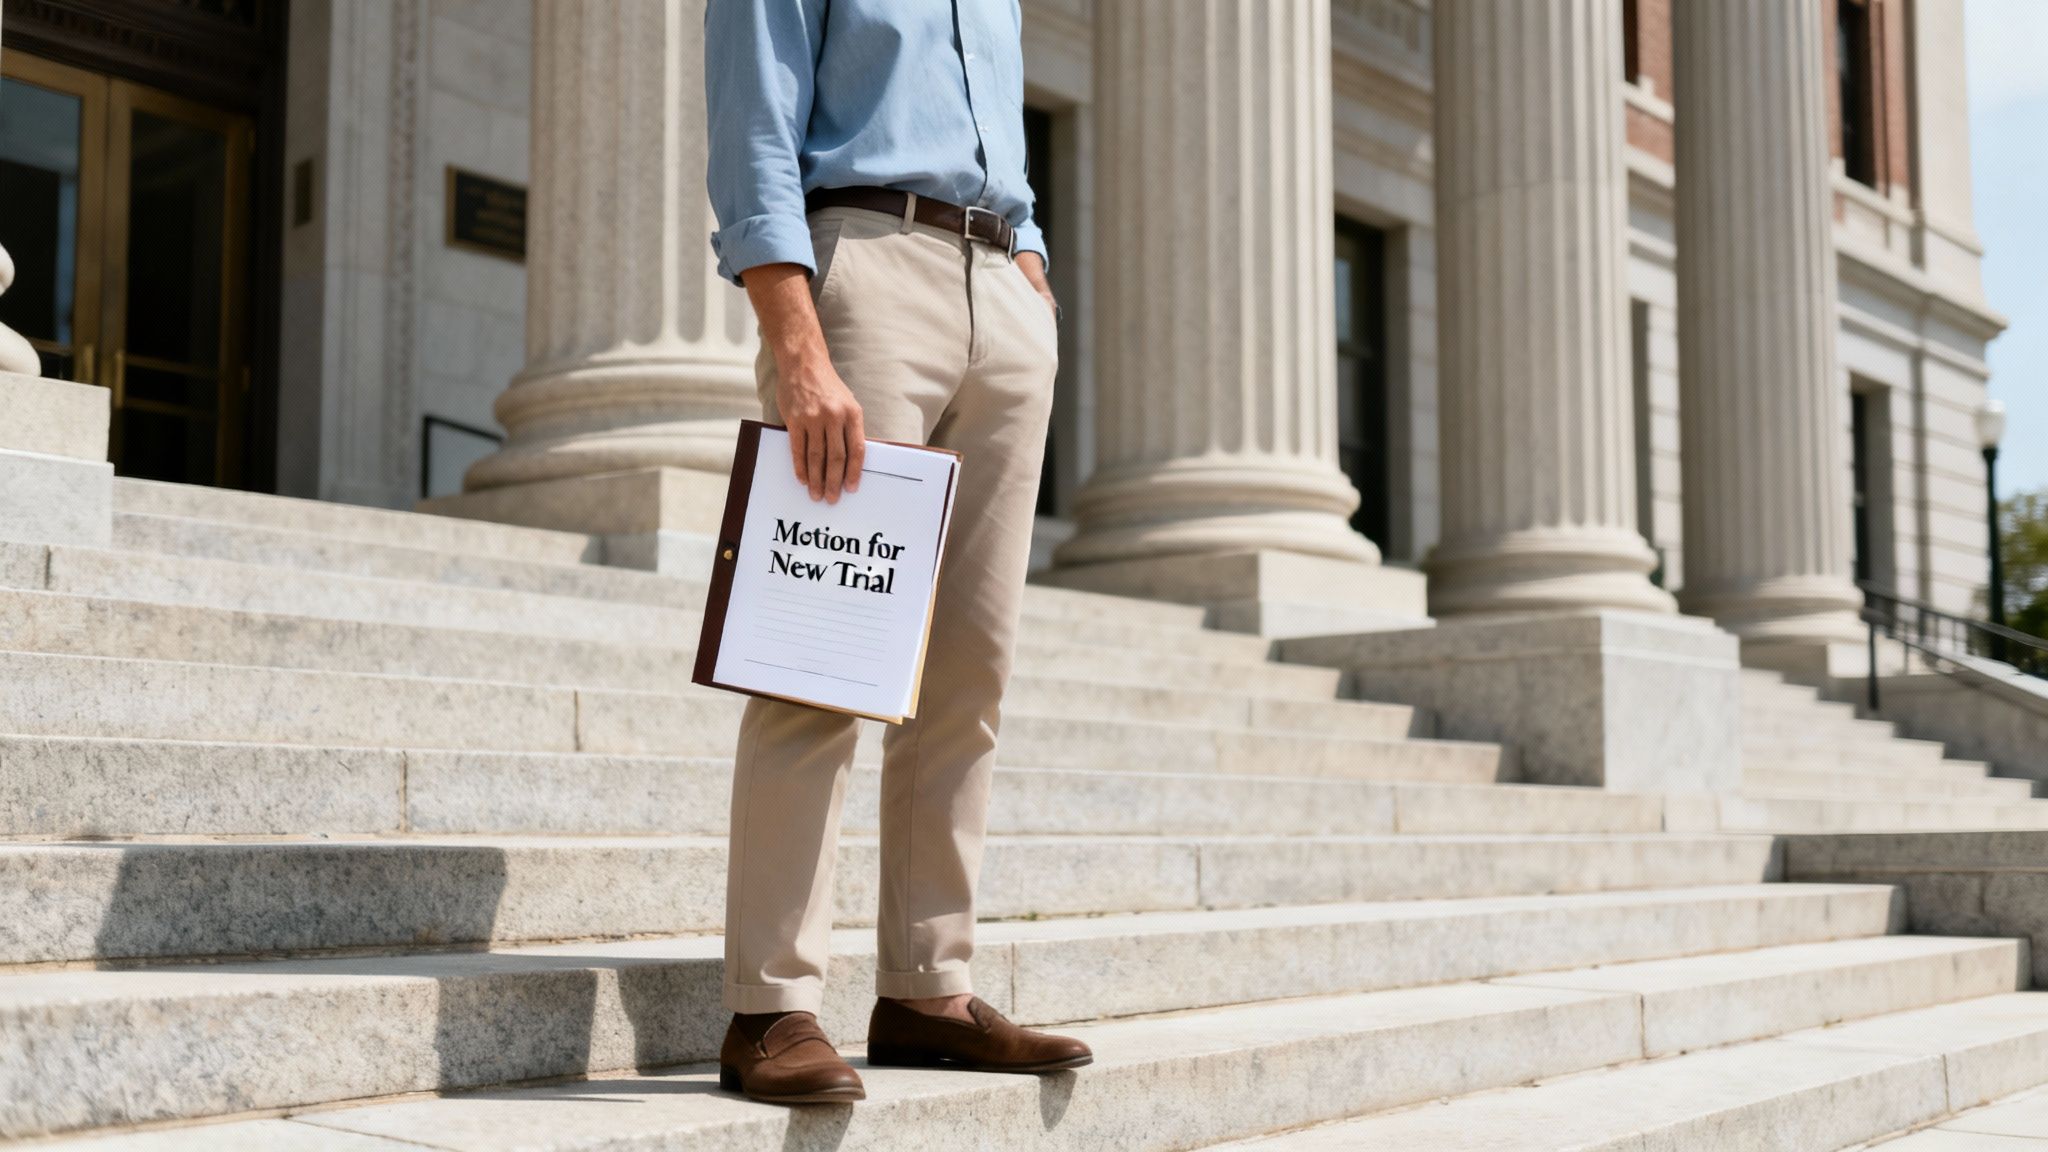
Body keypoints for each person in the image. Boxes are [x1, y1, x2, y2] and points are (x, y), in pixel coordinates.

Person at [703, 0, 1091, 1105]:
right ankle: (768, 1006)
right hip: (863, 272)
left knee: (969, 666)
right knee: (819, 654)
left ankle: (926, 988)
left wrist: (1028, 256)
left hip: (1000, 301)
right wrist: (795, 336)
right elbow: (753, 127)